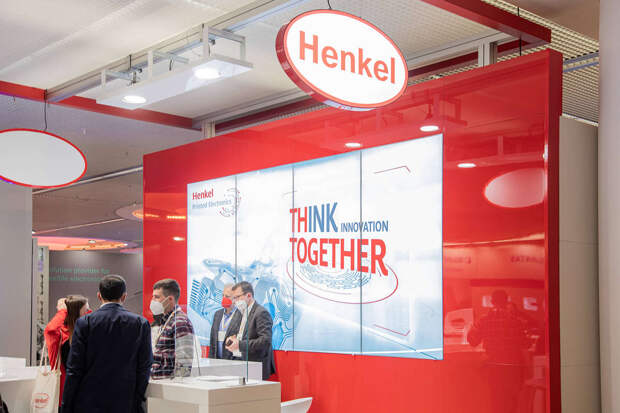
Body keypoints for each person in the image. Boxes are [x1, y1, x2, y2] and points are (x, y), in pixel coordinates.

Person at [61, 275, 152, 413]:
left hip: (89, 402)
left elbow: (74, 369)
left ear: (99, 296)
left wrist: (66, 406)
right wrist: (137, 397)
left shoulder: (85, 323)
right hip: (125, 402)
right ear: (124, 296)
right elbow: (145, 366)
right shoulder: (140, 323)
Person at [44, 295, 89, 410]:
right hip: (65, 395)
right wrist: (64, 310)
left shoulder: (84, 333)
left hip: (84, 393)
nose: (89, 313)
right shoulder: (59, 334)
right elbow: (50, 330)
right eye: (86, 310)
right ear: (75, 313)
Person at [225, 281, 276, 380]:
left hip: (255, 366)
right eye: (233, 298)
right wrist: (231, 340)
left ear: (248, 295)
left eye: (237, 297)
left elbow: (265, 341)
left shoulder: (261, 313)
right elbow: (238, 334)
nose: (234, 301)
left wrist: (240, 345)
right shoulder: (240, 312)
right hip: (239, 363)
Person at [150, 278, 195, 379]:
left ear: (170, 299)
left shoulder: (180, 321)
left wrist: (178, 383)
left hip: (169, 384)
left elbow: (185, 361)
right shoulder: (165, 320)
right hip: (159, 382)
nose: (152, 301)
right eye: (153, 297)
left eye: (156, 297)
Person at [208, 284, 240, 359]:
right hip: (216, 360)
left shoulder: (241, 315)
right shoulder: (217, 314)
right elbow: (212, 340)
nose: (224, 298)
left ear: (235, 298)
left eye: (227, 296)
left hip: (232, 361)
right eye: (223, 295)